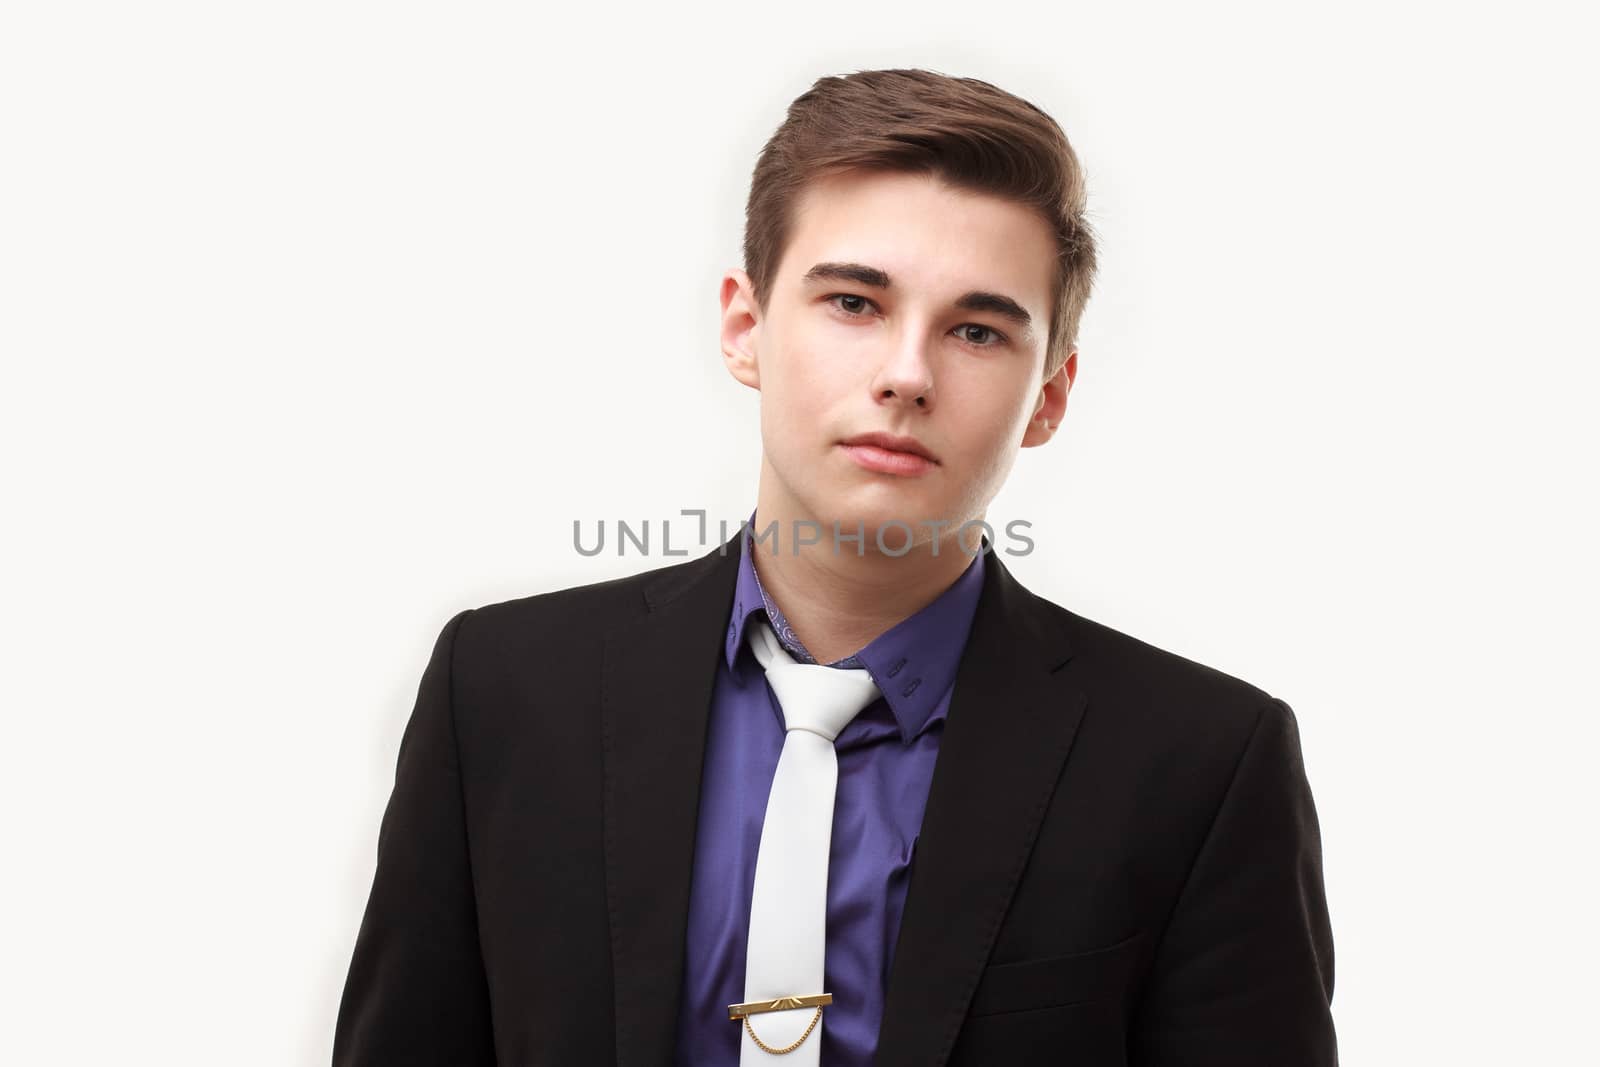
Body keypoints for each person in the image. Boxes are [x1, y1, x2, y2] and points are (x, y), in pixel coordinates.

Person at [331, 68, 1337, 1066]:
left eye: (977, 329)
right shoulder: (501, 689)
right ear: (745, 326)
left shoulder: (1203, 763)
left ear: (1049, 394)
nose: (907, 372)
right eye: (854, 302)